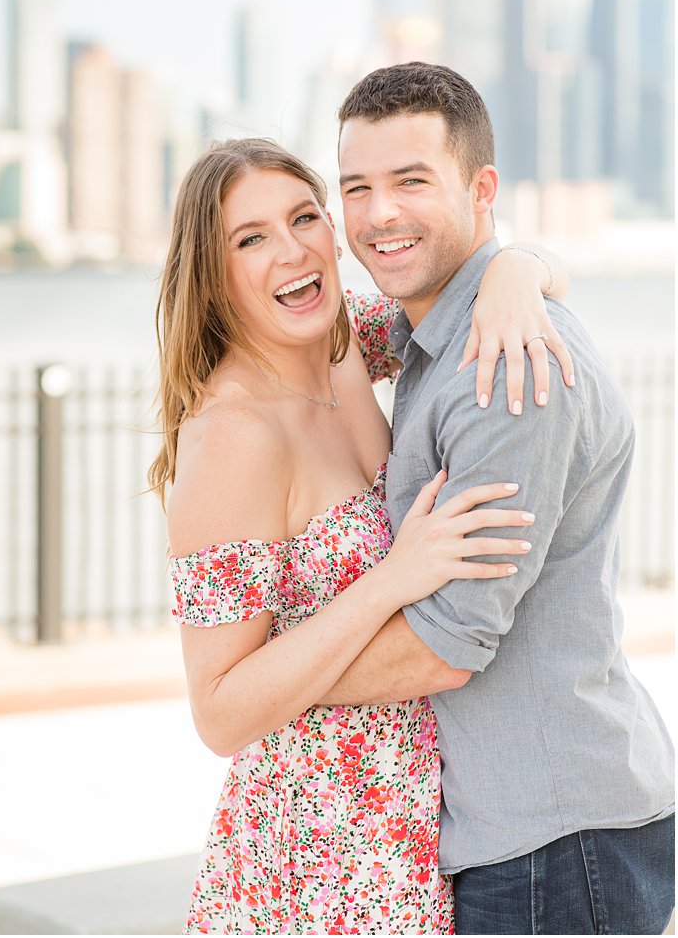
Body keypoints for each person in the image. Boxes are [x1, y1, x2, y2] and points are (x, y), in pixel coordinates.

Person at [156, 137, 575, 933]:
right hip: (317, 855)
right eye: (250, 238)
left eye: (304, 216)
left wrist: (518, 273)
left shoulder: (343, 346)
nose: (291, 250)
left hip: (415, 825)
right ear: (213, 277)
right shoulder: (234, 436)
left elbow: (472, 286)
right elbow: (218, 711)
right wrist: (390, 580)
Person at [323, 62, 674, 935]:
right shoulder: (434, 328)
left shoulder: (502, 372)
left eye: (411, 180)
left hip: (554, 840)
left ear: (482, 189)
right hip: (537, 826)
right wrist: (522, 262)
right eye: (356, 187)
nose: (378, 214)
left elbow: (448, 644)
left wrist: (265, 681)